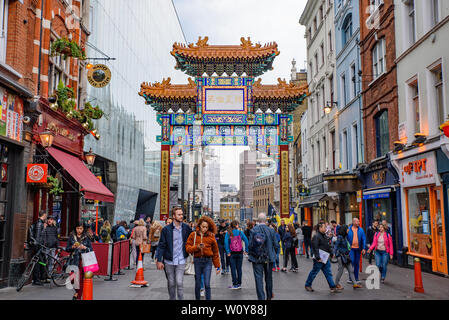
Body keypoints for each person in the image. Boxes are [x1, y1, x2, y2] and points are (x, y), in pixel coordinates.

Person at [156, 207, 192, 300]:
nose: (181, 216)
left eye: (182, 214)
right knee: (171, 283)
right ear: (173, 216)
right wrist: (159, 260)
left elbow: (192, 239)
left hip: (181, 259)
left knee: (179, 282)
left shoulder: (186, 228)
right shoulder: (166, 229)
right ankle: (172, 298)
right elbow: (161, 245)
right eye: (179, 214)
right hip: (169, 260)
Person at [185, 216, 220, 300]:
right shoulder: (193, 235)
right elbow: (187, 248)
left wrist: (217, 266)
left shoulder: (211, 236)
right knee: (197, 284)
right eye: (203, 226)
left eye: (206, 227)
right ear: (199, 225)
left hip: (207, 261)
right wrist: (197, 247)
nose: (204, 229)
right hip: (197, 261)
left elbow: (215, 252)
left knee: (207, 284)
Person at [248, 213, 279, 300]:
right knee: (268, 278)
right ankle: (269, 296)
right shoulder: (271, 230)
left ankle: (261, 298)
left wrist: (250, 255)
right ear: (265, 220)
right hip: (268, 258)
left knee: (258, 279)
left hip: (257, 258)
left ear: (257, 220)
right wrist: (274, 254)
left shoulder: (253, 230)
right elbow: (276, 245)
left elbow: (250, 245)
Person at [304, 222, 341, 293]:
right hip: (319, 259)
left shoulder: (324, 235)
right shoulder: (316, 236)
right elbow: (315, 247)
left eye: (325, 227)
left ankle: (332, 287)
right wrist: (318, 258)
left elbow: (327, 245)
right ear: (320, 228)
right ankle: (307, 285)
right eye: (324, 227)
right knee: (314, 272)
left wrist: (331, 253)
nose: (325, 228)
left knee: (328, 272)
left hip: (325, 258)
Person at [66, 221, 93, 300]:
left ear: (83, 228)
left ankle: (78, 297)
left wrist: (85, 248)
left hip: (82, 260)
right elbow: (67, 249)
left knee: (80, 281)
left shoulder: (87, 237)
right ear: (75, 228)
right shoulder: (71, 236)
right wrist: (72, 247)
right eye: (77, 228)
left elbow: (91, 249)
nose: (79, 230)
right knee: (72, 278)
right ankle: (77, 292)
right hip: (73, 260)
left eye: (81, 228)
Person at [333, 225, 360, 290]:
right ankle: (336, 284)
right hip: (341, 256)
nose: (348, 230)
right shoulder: (340, 237)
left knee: (351, 270)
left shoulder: (345, 236)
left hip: (346, 256)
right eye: (347, 229)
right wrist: (334, 253)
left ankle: (355, 284)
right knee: (340, 271)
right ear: (344, 229)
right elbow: (336, 245)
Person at [224, 220, 249, 289]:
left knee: (233, 269)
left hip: (232, 253)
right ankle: (239, 284)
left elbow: (226, 243)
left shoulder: (228, 233)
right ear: (237, 225)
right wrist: (246, 250)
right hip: (240, 252)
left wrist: (228, 251)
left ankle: (235, 284)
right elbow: (246, 240)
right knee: (239, 269)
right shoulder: (240, 232)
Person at [347, 218, 366, 284]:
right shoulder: (348, 229)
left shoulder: (361, 230)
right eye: (357, 221)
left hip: (358, 249)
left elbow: (364, 239)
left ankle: (356, 278)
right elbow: (346, 239)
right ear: (353, 222)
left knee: (356, 263)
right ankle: (350, 278)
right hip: (351, 249)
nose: (359, 222)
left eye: (359, 221)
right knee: (351, 263)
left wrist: (363, 248)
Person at [31, 211, 47, 286]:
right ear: (43, 215)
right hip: (38, 247)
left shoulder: (40, 223)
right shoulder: (39, 223)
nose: (46, 217)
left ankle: (41, 277)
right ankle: (36, 279)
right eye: (45, 215)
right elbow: (37, 236)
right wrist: (38, 246)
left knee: (42, 262)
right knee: (38, 263)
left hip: (40, 246)